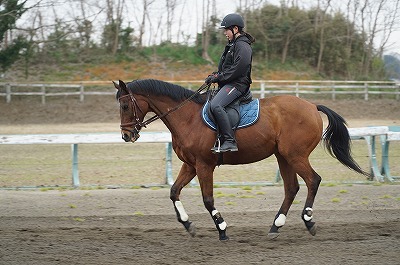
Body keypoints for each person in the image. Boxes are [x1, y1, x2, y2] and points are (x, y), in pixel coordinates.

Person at [205, 13, 255, 153]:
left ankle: (229, 141)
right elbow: (227, 68)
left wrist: (219, 78)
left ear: (235, 29)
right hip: (230, 83)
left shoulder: (242, 46)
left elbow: (239, 68)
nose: (225, 33)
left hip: (238, 85)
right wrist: (216, 75)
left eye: (226, 30)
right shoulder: (233, 45)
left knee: (216, 105)